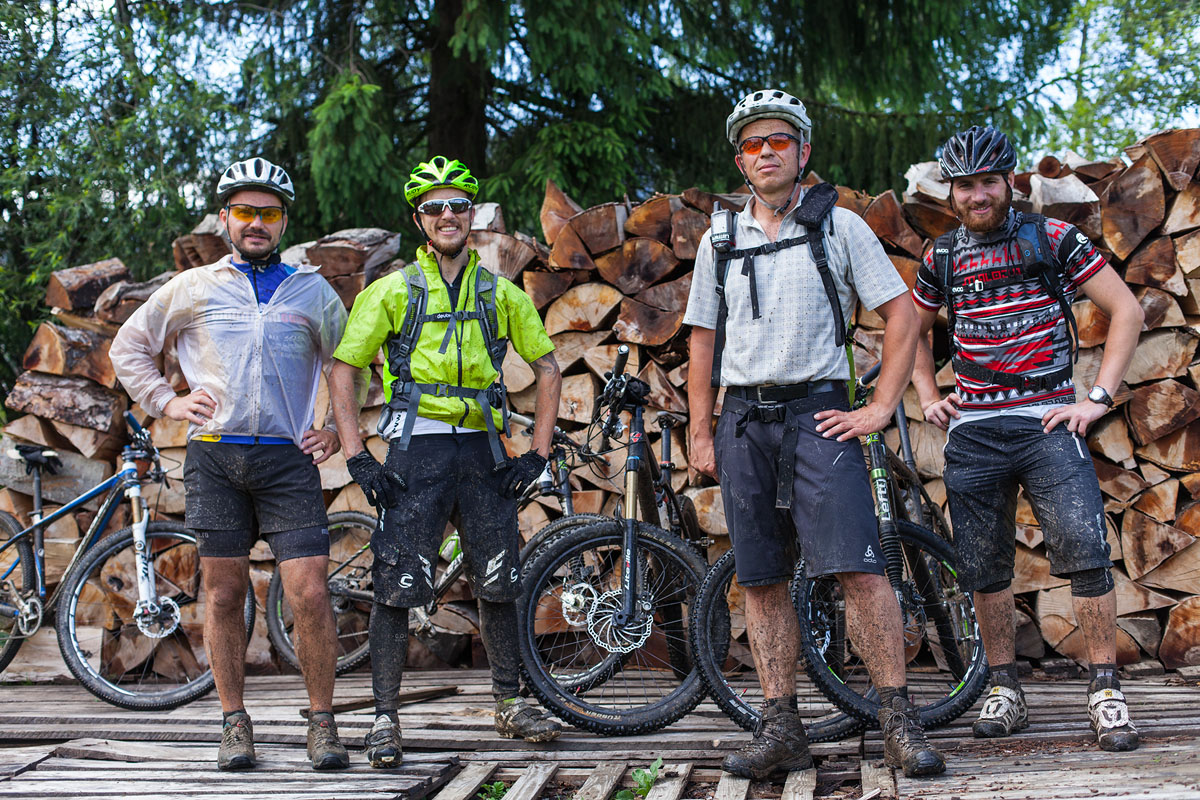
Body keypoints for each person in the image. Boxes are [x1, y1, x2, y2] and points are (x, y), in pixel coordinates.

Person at [684, 89, 944, 780]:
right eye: (752, 144)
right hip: (744, 420)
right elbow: (703, 340)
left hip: (820, 414)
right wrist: (702, 432)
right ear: (740, 161)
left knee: (860, 568)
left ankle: (898, 722)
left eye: (779, 140)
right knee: (761, 577)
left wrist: (881, 405)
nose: (765, 152)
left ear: (803, 151)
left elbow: (901, 314)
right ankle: (782, 729)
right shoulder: (719, 238)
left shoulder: (841, 226)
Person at [109, 157, 356, 770]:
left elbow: (348, 362)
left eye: (268, 213)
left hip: (287, 461)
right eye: (244, 211)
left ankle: (322, 723)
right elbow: (129, 346)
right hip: (215, 458)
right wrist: (167, 401)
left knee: (311, 593)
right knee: (223, 595)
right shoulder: (194, 286)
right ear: (224, 218)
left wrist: (332, 426)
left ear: (284, 222)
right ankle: (233, 723)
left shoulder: (312, 291)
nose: (256, 223)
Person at [911, 125, 1143, 752]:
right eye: (965, 185)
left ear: (1009, 182)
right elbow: (910, 330)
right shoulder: (941, 256)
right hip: (974, 432)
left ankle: (1105, 691)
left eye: (988, 181)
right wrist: (929, 395)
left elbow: (1127, 309)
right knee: (984, 566)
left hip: (1048, 422)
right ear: (951, 192)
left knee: (1085, 549)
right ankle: (1004, 688)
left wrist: (1097, 398)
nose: (977, 195)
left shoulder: (1052, 237)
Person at [328, 156, 564, 769]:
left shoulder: (501, 293)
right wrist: (357, 457)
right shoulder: (392, 291)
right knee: (395, 586)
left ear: (471, 214)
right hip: (417, 452)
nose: (447, 215)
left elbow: (548, 367)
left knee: (499, 580)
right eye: (433, 207)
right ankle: (384, 718)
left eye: (457, 204)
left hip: (484, 451)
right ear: (419, 220)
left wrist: (538, 453)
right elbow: (344, 368)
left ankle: (509, 704)